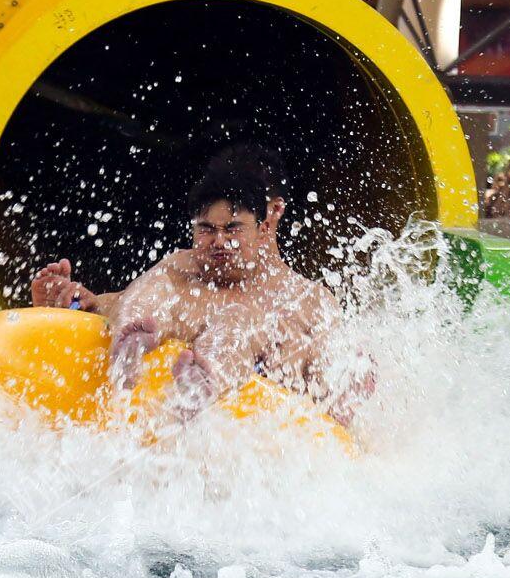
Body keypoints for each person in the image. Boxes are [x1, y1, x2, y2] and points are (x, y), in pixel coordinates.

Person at [30, 146, 372, 425]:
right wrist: (80, 304)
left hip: (255, 440)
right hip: (164, 425)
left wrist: (352, 382)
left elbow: (342, 400)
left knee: (240, 325)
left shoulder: (305, 300)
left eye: (235, 223)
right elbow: (137, 303)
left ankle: (206, 383)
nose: (220, 239)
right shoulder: (183, 268)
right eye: (209, 225)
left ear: (270, 215)